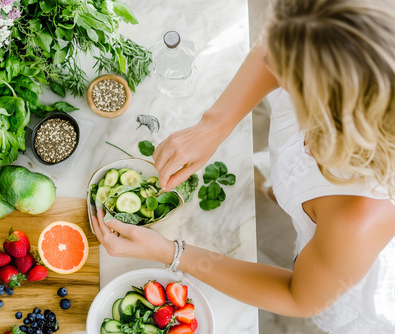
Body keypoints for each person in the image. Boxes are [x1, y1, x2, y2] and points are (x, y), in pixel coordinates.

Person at [91, 0, 395, 333]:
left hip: (346, 253)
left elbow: (297, 297)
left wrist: (171, 252)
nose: (264, 57)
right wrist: (212, 126)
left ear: (320, 108)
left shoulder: (358, 217)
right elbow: (273, 48)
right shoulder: (329, 31)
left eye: (279, 68)